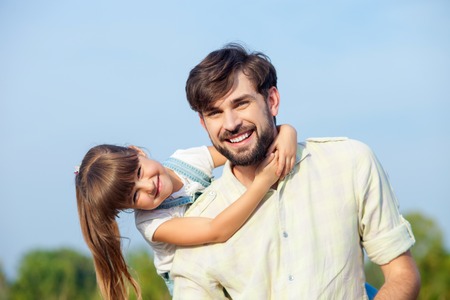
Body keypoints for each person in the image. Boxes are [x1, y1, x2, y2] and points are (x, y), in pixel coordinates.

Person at [171, 43, 421, 299]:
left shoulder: (350, 161)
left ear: (272, 100)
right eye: (215, 113)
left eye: (241, 104)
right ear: (203, 124)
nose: (231, 123)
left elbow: (402, 274)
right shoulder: (199, 223)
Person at [74, 125, 297, 300]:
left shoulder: (186, 160)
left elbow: (239, 152)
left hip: (226, 254)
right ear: (128, 208)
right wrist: (262, 182)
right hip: (199, 284)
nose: (148, 186)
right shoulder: (152, 223)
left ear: (137, 151)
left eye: (139, 172)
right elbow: (215, 230)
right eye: (135, 196)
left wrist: (286, 131)